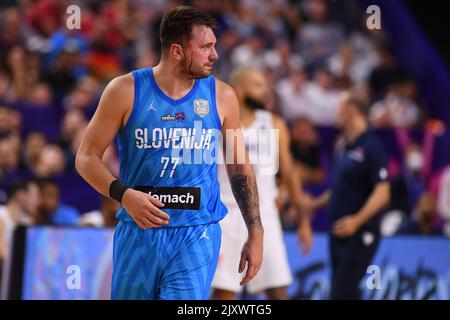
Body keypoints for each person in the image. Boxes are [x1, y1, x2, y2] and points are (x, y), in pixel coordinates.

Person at [76, 6, 263, 300]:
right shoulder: (124, 90)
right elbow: (86, 157)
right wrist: (123, 194)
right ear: (177, 50)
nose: (215, 55)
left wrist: (256, 231)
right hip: (139, 231)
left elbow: (240, 167)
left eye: (214, 46)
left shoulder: (222, 95)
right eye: (205, 47)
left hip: (197, 233)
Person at [211, 67, 313, 300]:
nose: (265, 90)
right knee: (224, 292)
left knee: (278, 290)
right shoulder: (217, 123)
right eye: (257, 85)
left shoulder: (275, 124)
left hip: (264, 214)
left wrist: (303, 219)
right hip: (226, 214)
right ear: (240, 88)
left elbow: (290, 174)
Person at [311, 94, 390, 300]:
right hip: (339, 231)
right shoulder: (344, 145)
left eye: (340, 109)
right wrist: (313, 205)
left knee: (340, 294)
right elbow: (337, 189)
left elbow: (383, 193)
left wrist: (356, 221)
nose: (336, 114)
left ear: (352, 111)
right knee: (346, 293)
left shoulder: (372, 145)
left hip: (360, 232)